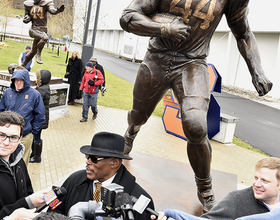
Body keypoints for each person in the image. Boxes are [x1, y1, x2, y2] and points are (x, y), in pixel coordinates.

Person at [119, 0, 273, 212]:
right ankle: (131, 132)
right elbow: (128, 16)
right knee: (139, 115)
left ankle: (205, 186)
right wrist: (165, 28)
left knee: (196, 125)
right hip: (157, 58)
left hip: (192, 63)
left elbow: (243, 33)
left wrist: (257, 70)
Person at [50, 131, 155, 220]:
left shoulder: (140, 200)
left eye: (94, 159)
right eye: (88, 157)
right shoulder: (73, 180)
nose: (88, 162)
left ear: (114, 163)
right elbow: (52, 214)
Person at [150, 157, 280, 220]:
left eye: (264, 181)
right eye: (256, 178)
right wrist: (171, 213)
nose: (256, 184)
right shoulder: (237, 200)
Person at [0, 111, 46, 219]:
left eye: (13, 137)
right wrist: (28, 203)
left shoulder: (18, 161)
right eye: (1, 135)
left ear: (20, 139)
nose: (6, 142)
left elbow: (28, 191)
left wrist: (34, 201)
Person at [0, 69, 45, 166]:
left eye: (21, 80)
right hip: (6, 137)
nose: (18, 83)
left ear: (26, 81)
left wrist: (32, 131)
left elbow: (40, 116)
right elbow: (1, 111)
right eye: (16, 80)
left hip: (24, 137)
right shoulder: (8, 93)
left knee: (21, 165)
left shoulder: (35, 95)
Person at [21, 0, 65, 67]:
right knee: (44, 38)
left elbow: (52, 10)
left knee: (33, 52)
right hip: (34, 29)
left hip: (43, 30)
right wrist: (26, 18)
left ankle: (23, 65)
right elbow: (27, 15)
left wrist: (58, 10)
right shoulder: (28, 4)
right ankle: (39, 54)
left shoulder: (46, 3)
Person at [29, 69, 51, 163]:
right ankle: (33, 154)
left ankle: (37, 157)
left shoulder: (42, 90)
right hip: (41, 116)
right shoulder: (44, 87)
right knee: (36, 135)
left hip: (39, 118)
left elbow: (35, 103)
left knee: (36, 136)